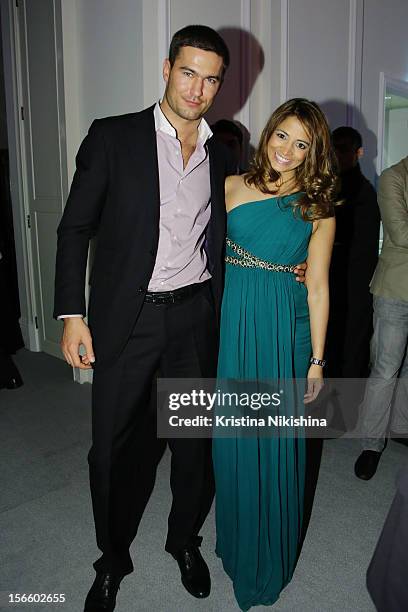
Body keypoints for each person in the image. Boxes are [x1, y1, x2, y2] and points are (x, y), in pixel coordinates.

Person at [53, 24, 307, 612]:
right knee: (111, 451)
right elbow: (74, 229)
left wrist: (290, 263)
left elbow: (254, 221)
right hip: (128, 320)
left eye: (211, 78)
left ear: (220, 85)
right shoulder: (113, 137)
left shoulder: (228, 151)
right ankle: (111, 559)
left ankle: (183, 540)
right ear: (166, 70)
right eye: (188, 72)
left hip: (196, 319)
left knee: (195, 446)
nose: (198, 88)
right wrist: (72, 313)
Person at [212, 98, 337, 611]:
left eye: (302, 144)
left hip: (285, 327)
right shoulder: (231, 186)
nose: (288, 150)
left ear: (313, 153)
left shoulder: (317, 205)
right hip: (235, 320)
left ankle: (269, 556)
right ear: (268, 134)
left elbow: (320, 287)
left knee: (275, 440)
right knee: (235, 438)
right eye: (283, 136)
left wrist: (317, 360)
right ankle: (238, 542)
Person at [354, 155, 408, 481]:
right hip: (394, 290)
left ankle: (400, 428)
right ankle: (371, 445)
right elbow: (401, 234)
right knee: (386, 370)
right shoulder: (393, 177)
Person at [326, 127, 380, 379]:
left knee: (351, 351)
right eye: (333, 148)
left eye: (343, 149)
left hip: (353, 288)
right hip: (328, 282)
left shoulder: (364, 192)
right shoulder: (326, 185)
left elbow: (363, 251)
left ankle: (347, 412)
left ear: (359, 153)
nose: (337, 154)